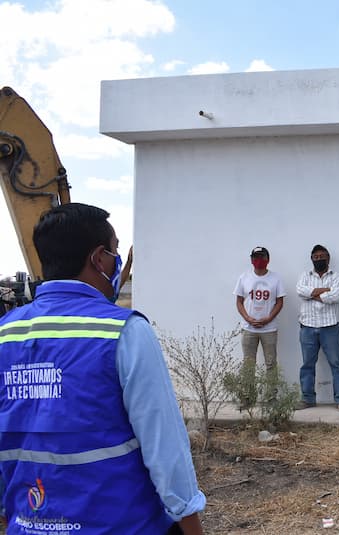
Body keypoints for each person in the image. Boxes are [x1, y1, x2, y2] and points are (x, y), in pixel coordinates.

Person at [0, 203, 205, 534]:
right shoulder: (124, 332)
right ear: (99, 258)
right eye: (115, 253)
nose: (117, 263)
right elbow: (165, 447)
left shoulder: (5, 334)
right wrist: (191, 523)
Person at [296, 245, 339, 412]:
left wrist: (311, 294)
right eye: (316, 256)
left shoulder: (337, 276)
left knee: (336, 364)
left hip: (329, 327)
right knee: (307, 365)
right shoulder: (304, 275)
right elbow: (300, 291)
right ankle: (308, 398)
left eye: (322, 256)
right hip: (308, 327)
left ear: (328, 258)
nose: (319, 259)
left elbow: (335, 296)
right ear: (311, 258)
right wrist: (325, 291)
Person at [233, 246, 286, 403]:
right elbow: (239, 301)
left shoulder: (275, 278)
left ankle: (271, 396)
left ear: (268, 259)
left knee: (271, 363)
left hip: (269, 329)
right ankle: (248, 396)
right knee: (249, 363)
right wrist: (247, 318)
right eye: (255, 257)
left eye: (262, 257)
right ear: (251, 259)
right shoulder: (244, 278)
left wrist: (269, 318)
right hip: (249, 328)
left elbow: (280, 301)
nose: (258, 260)